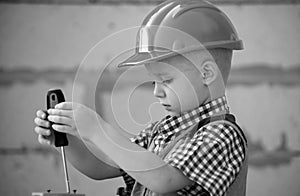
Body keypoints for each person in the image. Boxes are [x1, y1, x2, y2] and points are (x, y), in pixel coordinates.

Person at [34, 0, 248, 196]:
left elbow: (164, 179)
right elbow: (101, 165)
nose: (156, 92)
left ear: (207, 74)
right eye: (154, 82)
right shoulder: (161, 132)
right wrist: (68, 137)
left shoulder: (220, 134)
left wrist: (97, 129)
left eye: (166, 80)